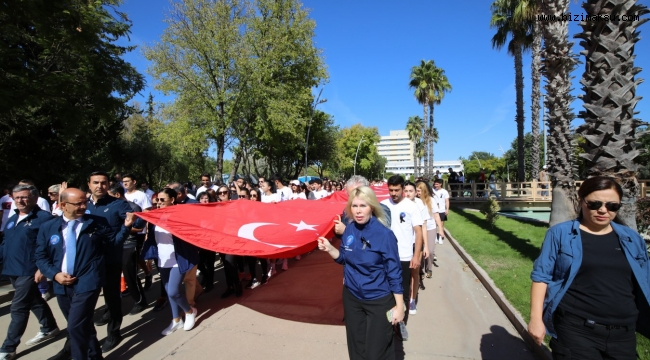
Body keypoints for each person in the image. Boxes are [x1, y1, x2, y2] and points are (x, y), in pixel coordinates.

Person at [528, 177, 650, 359]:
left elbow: (645, 279)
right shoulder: (561, 233)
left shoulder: (631, 238)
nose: (603, 210)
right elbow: (541, 276)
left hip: (623, 333)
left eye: (612, 206)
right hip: (576, 330)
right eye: (594, 204)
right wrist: (536, 320)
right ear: (581, 201)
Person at [35, 188, 133, 360]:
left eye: (84, 202)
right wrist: (54, 274)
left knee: (75, 326)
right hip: (61, 284)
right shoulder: (48, 227)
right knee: (83, 324)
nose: (83, 206)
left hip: (88, 281)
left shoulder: (96, 223)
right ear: (63, 205)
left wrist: (125, 227)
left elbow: (114, 243)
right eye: (78, 203)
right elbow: (41, 256)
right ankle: (95, 355)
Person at [317, 186, 404, 360]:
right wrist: (330, 249)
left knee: (376, 353)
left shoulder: (385, 235)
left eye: (362, 206)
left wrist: (400, 306)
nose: (358, 211)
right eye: (354, 206)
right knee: (356, 351)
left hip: (378, 300)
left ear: (372, 206)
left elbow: (394, 272)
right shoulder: (349, 229)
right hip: (352, 298)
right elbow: (344, 258)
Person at [0, 185, 60, 360]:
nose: (20, 201)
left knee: (18, 307)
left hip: (29, 270)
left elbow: (53, 245)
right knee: (34, 299)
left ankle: (8, 348)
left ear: (34, 198)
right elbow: (6, 243)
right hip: (12, 269)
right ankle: (49, 327)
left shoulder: (44, 218)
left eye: (24, 197)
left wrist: (43, 268)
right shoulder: (12, 218)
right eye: (17, 197)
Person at [86, 171, 134, 352]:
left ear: (108, 184)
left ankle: (114, 332)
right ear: (89, 184)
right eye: (95, 182)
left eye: (103, 183)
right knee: (85, 300)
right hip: (87, 262)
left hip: (110, 260)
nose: (100, 186)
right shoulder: (83, 204)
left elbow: (131, 221)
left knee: (112, 298)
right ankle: (77, 339)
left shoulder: (118, 204)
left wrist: (127, 227)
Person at [142, 188, 199, 336]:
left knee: (174, 291)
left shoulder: (179, 216)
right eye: (157, 201)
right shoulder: (155, 217)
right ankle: (176, 320)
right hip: (162, 260)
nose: (158, 203)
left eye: (162, 200)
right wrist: (149, 256)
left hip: (177, 259)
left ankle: (189, 311)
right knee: (169, 291)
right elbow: (152, 239)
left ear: (172, 200)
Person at [380, 175, 423, 341]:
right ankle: (387, 322)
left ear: (402, 189)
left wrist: (416, 255)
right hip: (385, 257)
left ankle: (401, 323)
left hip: (404, 256)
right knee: (386, 290)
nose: (393, 193)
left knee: (403, 291)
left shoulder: (411, 206)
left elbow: (418, 232)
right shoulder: (382, 205)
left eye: (396, 190)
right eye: (390, 190)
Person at [107, 184, 148, 316]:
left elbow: (140, 227)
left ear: (117, 195)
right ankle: (111, 307)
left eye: (109, 196)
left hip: (130, 245)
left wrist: (124, 228)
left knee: (130, 275)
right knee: (112, 277)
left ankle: (140, 301)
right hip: (115, 246)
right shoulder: (110, 208)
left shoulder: (133, 207)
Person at [403, 181, 430, 310]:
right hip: (402, 244)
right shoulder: (399, 204)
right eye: (406, 191)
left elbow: (424, 226)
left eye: (410, 191)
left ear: (415, 192)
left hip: (416, 243)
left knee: (415, 271)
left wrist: (426, 246)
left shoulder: (420, 204)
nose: (408, 194)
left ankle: (412, 300)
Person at [416, 181, 444, 274]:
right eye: (417, 191)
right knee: (421, 250)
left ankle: (429, 267)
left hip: (430, 228)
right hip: (419, 229)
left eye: (420, 191)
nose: (418, 193)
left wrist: (441, 229)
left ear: (424, 191)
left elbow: (436, 215)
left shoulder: (431, 200)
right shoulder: (415, 201)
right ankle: (421, 270)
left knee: (430, 251)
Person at [432, 179, 449, 245]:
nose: (436, 185)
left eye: (437, 184)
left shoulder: (444, 191)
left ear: (440, 184)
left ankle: (440, 238)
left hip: (442, 210)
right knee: (434, 224)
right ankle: (436, 237)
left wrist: (447, 209)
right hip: (434, 210)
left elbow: (447, 201)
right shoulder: (432, 191)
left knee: (441, 225)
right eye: (435, 184)